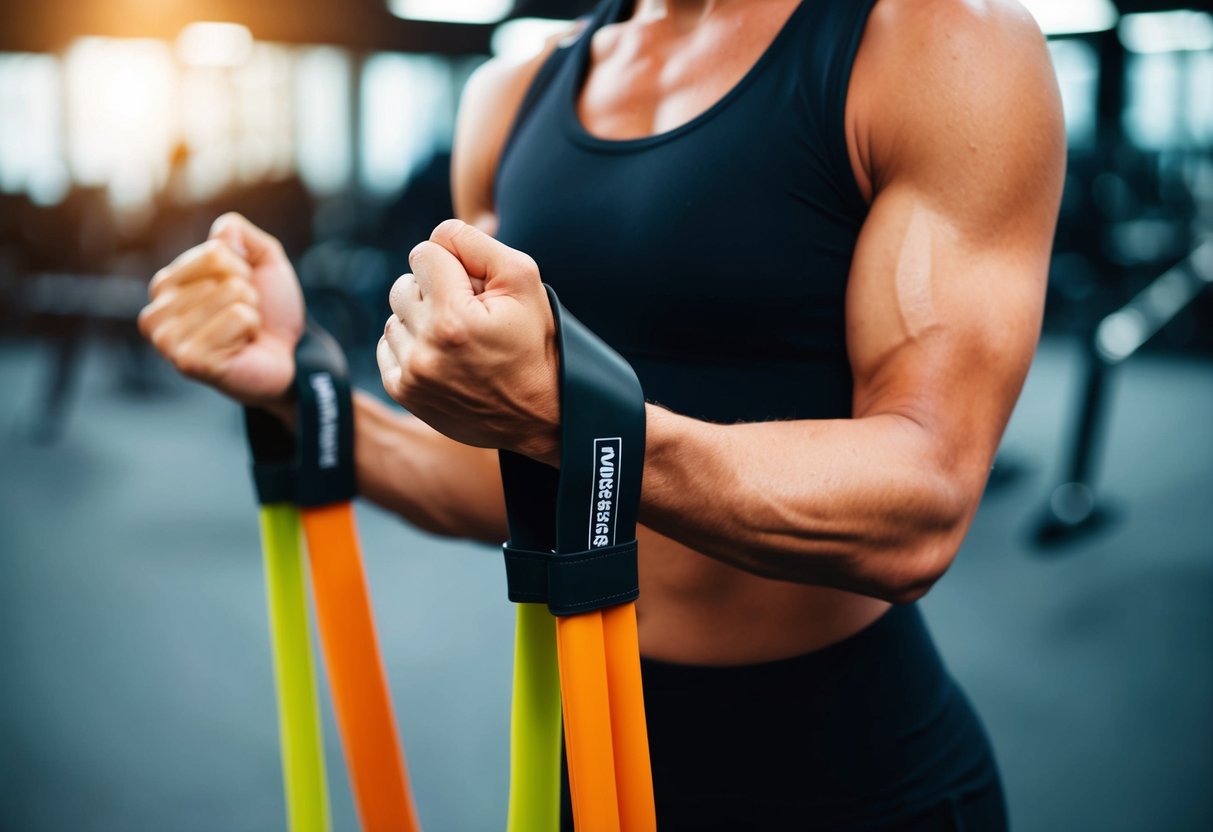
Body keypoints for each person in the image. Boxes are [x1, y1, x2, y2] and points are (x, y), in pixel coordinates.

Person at [139, 0, 1065, 827]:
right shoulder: (513, 94)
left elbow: (921, 501)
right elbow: (506, 480)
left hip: (851, 773)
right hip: (588, 752)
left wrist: (566, 416)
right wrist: (305, 396)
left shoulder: (939, 44)